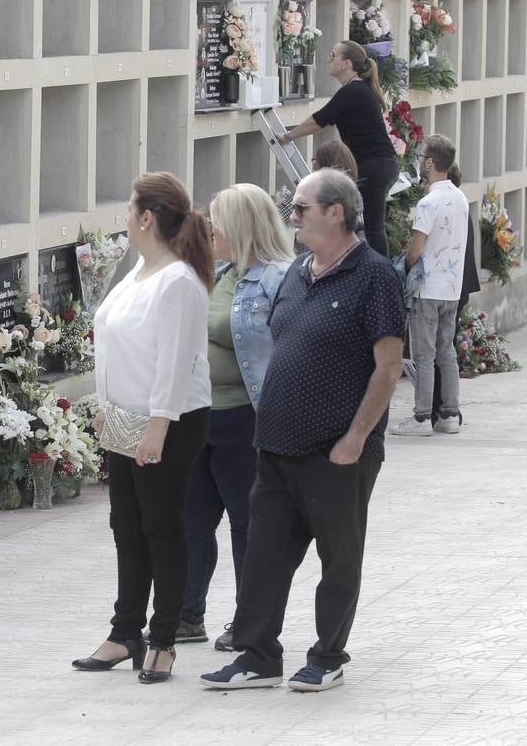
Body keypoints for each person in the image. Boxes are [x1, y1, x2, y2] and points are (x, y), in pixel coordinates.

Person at [200, 169, 405, 692]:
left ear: (336, 212)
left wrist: (356, 438)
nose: (292, 217)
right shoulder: (296, 272)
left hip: (336, 451)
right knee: (265, 556)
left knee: (338, 558)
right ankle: (258, 656)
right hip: (276, 446)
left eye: (301, 209)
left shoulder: (375, 276)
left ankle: (328, 655)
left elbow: (387, 366)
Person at [74, 171, 213, 685]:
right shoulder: (140, 269)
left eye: (130, 209)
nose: (125, 218)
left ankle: (163, 639)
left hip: (168, 421)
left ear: (147, 217)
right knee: (126, 528)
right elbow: (120, 343)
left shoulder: (177, 281)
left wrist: (156, 429)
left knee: (161, 529)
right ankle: (124, 631)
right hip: (127, 417)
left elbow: (174, 364)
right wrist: (107, 405)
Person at [177, 184, 294, 653]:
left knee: (248, 523)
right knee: (191, 520)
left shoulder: (278, 278)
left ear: (242, 226)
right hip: (201, 414)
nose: (209, 230)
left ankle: (249, 621)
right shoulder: (219, 273)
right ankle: (187, 614)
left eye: (217, 221)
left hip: (247, 419)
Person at [277, 42, 396, 258]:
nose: (328, 60)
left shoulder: (353, 90)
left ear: (347, 63)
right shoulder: (357, 89)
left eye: (333, 56)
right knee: (369, 225)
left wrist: (288, 136)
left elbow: (320, 119)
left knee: (372, 227)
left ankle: (380, 275)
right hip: (380, 163)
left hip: (374, 165)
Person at [391, 135, 468, 436]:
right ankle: (449, 413)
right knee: (446, 350)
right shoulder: (460, 198)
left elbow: (415, 250)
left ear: (430, 162)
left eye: (423, 156)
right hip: (452, 288)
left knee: (424, 354)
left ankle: (422, 417)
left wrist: (406, 265)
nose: (420, 161)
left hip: (427, 289)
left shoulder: (428, 202)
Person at [431, 163, 480, 419]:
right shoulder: (461, 204)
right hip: (458, 286)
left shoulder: (443, 207)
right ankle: (448, 406)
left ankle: (439, 406)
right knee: (446, 347)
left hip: (444, 287)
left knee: (437, 349)